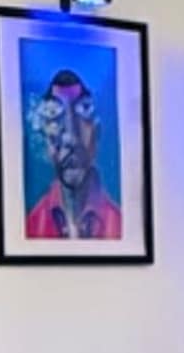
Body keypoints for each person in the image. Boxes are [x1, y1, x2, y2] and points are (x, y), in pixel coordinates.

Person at [25, 62, 124, 240]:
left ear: (98, 130)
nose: (70, 138)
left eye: (84, 111)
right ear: (44, 136)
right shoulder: (32, 224)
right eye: (53, 113)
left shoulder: (119, 224)